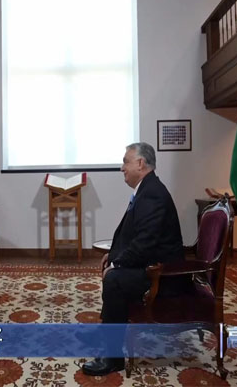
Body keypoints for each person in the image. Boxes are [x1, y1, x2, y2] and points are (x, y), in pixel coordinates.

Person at [82, 142, 185, 376]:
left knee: (114, 280)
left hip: (163, 276)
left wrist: (116, 264)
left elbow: (145, 243)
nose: (122, 168)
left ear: (140, 163)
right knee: (114, 273)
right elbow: (133, 236)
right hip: (152, 265)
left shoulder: (153, 194)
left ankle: (113, 359)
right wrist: (113, 255)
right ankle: (108, 332)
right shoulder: (147, 189)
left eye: (125, 162)